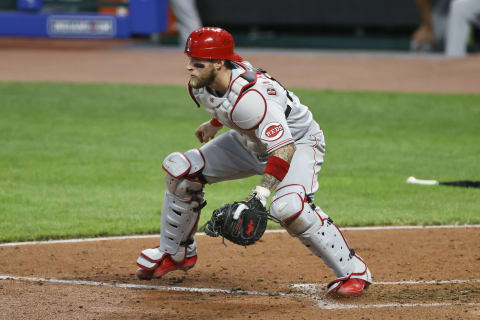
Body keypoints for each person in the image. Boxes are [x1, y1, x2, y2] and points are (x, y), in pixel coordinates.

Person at [135, 27, 372, 297]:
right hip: (249, 143)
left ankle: (354, 271)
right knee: (181, 172)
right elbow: (223, 105)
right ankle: (176, 252)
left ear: (218, 63)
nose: (189, 68)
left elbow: (284, 148)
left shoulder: (253, 99)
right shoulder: (202, 84)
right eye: (189, 60)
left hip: (298, 144)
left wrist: (260, 195)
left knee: (288, 208)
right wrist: (213, 125)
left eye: (197, 63)